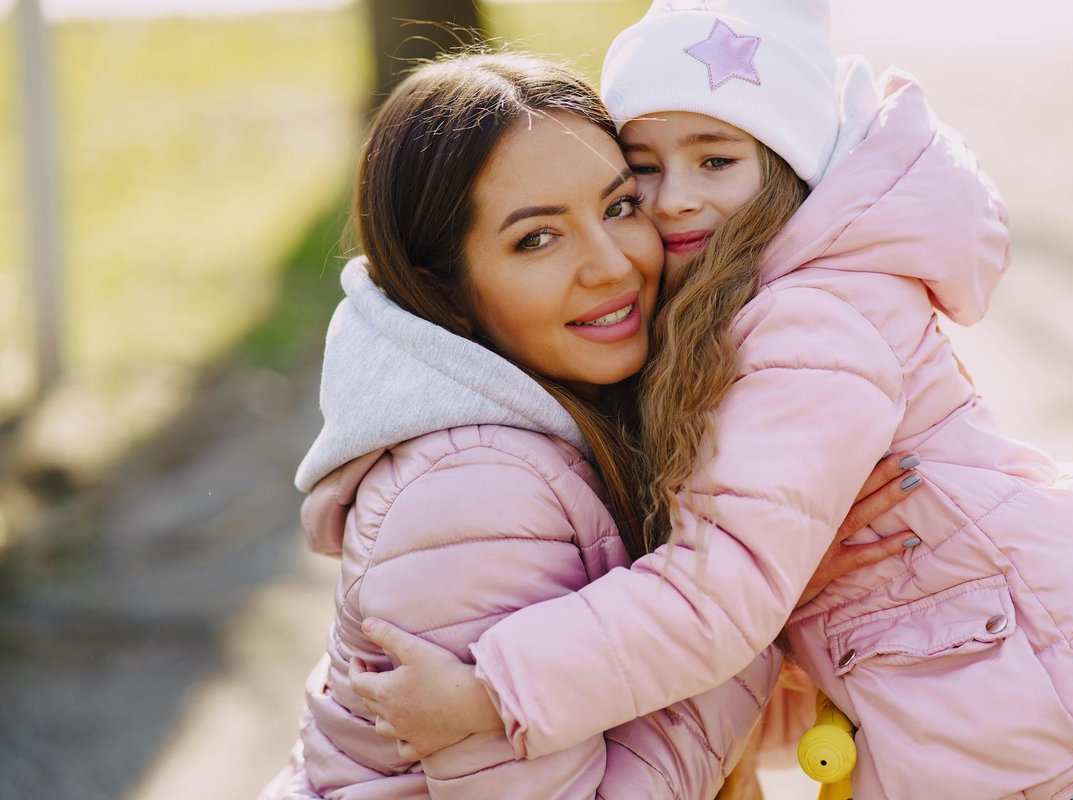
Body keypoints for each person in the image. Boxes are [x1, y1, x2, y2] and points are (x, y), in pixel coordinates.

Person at [347, 2, 1073, 799]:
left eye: (715, 159)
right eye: (644, 170)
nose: (674, 196)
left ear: (789, 166)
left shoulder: (804, 328)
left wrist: (498, 689)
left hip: (1052, 744)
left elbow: (724, 590)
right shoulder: (743, 313)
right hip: (1003, 729)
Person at [259, 50, 923, 800]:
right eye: (537, 239)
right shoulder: (472, 496)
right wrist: (755, 599)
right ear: (443, 293)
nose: (611, 265)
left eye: (619, 207)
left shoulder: (595, 410)